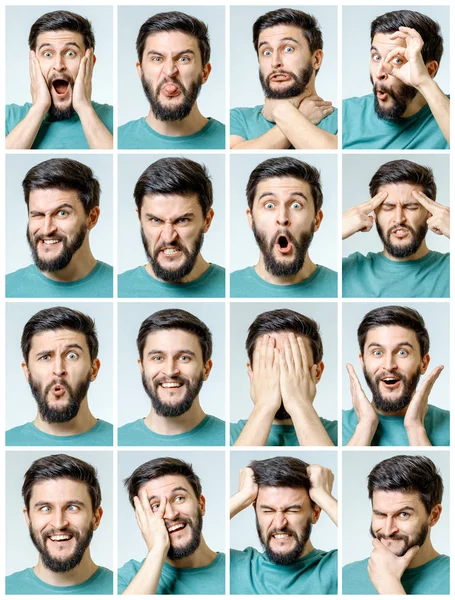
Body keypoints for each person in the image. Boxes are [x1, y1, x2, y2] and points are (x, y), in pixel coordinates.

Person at [230, 8, 337, 149]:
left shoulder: (343, 120)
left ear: (316, 59)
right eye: (266, 52)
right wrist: (299, 116)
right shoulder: (239, 118)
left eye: (288, 49)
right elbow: (235, 157)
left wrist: (283, 112)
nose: (275, 62)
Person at [6, 454, 113, 594]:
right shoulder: (6, 589)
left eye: (72, 507)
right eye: (45, 508)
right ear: (28, 518)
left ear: (96, 518)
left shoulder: (125, 589)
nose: (58, 524)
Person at [6, 158, 113, 298]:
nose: (46, 229)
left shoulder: (118, 287)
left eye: (62, 213)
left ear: (92, 217)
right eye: (38, 215)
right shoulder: (7, 288)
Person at [118, 157, 225, 298]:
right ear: (140, 219)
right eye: (156, 220)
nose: (168, 237)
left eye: (182, 220)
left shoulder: (231, 288)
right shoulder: (117, 289)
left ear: (207, 220)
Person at [6, 10, 113, 149]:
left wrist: (84, 107)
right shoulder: (8, 117)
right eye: (48, 54)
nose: (58, 66)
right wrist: (39, 107)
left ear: (90, 62)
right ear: (33, 62)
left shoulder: (112, 118)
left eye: (70, 53)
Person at [343, 306, 449, 446]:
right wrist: (365, 425)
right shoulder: (338, 427)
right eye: (377, 352)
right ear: (363, 362)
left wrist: (415, 427)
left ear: (423, 363)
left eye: (402, 352)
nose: (389, 365)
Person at [231, 157, 337, 298]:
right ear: (251, 219)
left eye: (296, 205)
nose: (282, 218)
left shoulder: (340, 287)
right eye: (269, 205)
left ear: (317, 220)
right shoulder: (229, 288)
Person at [6, 307, 113, 446]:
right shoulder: (7, 442)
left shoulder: (119, 439)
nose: (58, 370)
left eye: (72, 355)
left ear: (93, 369)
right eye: (45, 357)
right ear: (27, 372)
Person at [342, 159, 449, 298]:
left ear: (430, 212)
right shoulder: (348, 270)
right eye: (388, 207)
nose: (399, 219)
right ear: (374, 212)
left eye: (411, 207)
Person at [230, 456, 337, 594]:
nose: (279, 523)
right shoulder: (235, 567)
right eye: (268, 511)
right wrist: (243, 495)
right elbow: (195, 530)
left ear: (315, 513)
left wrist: (322, 495)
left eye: (292, 510)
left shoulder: (335, 568)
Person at [343, 10, 449, 149]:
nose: (380, 73)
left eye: (397, 60)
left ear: (429, 70)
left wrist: (423, 82)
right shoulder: (347, 112)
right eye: (376, 57)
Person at [343, 455, 449, 594]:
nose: (388, 531)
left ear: (434, 515)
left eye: (403, 514)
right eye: (380, 514)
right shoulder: (345, 576)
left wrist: (388, 584)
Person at [118, 11, 225, 149]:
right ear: (141, 71)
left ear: (204, 72)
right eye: (157, 59)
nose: (170, 71)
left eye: (183, 59)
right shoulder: (117, 140)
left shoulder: (227, 140)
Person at [118, 457, 225, 594]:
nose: (170, 514)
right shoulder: (126, 580)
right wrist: (157, 549)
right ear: (142, 519)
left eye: (179, 498)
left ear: (201, 505)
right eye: (156, 506)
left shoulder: (249, 567)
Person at [118, 309, 225, 446]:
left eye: (184, 358)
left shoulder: (237, 438)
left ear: (206, 369)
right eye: (158, 358)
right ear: (142, 367)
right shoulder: (118, 440)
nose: (170, 371)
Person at [231, 309, 337, 446]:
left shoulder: (342, 433)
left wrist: (299, 404)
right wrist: (265, 406)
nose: (283, 375)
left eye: (294, 363)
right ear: (252, 373)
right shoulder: (226, 435)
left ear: (317, 373)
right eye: (270, 363)